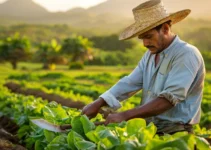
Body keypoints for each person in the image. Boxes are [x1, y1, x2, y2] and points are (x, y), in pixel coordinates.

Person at [82, 0, 205, 134]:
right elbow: (130, 82)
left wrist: (124, 115)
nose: (145, 43)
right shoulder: (150, 54)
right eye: (142, 38)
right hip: (150, 128)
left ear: (165, 29)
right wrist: (100, 102)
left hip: (175, 131)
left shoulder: (186, 54)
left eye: (148, 37)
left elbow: (169, 99)